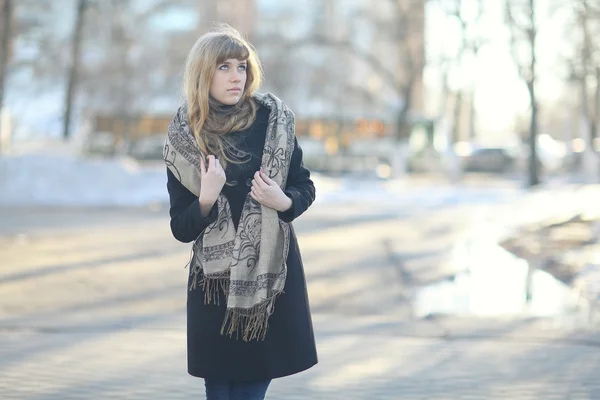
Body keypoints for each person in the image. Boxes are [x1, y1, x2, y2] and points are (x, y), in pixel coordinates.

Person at [163, 24, 318, 400]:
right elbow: (181, 228)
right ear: (203, 73)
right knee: (218, 388)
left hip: (267, 281)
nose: (237, 76)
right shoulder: (186, 135)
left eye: (242, 66)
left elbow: (304, 186)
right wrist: (205, 199)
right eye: (224, 67)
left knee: (251, 388)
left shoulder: (274, 121)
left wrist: (284, 201)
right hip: (214, 285)